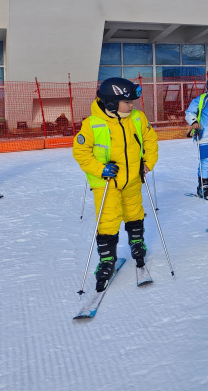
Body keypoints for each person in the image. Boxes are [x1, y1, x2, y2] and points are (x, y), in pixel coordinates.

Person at [72, 78, 159, 291]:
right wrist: (100, 168)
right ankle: (107, 259)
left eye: (131, 102)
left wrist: (147, 163)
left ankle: (137, 243)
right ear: (111, 103)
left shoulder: (137, 118)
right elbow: (81, 152)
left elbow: (150, 140)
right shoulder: (92, 124)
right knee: (109, 219)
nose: (132, 106)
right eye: (126, 102)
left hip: (133, 179)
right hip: (107, 182)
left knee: (134, 212)